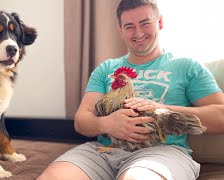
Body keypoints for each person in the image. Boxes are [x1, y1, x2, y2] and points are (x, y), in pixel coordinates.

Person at [38, 0, 224, 179]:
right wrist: (107, 124)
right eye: (129, 26)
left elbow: (221, 116)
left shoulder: (187, 67)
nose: (138, 32)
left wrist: (160, 109)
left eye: (145, 23)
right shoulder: (106, 69)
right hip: (104, 152)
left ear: (159, 22)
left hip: (161, 152)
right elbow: (81, 120)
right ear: (120, 30)